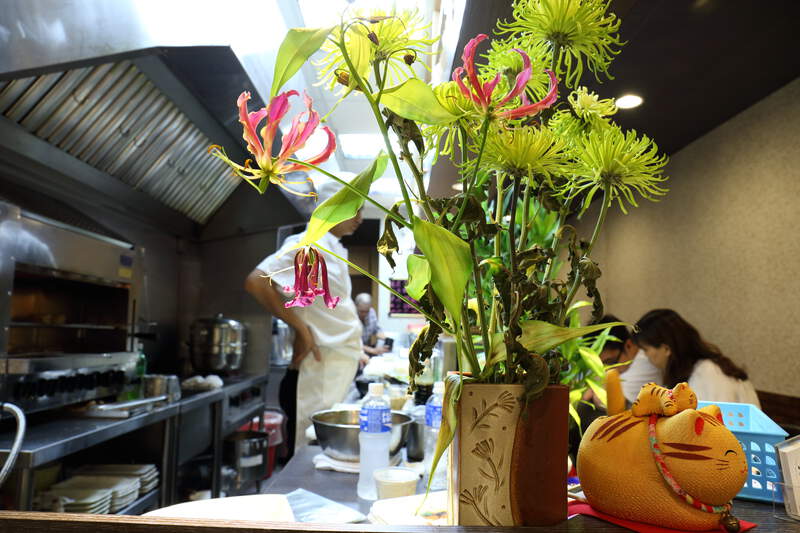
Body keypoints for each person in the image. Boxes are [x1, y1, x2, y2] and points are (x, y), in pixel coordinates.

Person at [245, 180, 364, 457]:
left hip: (333, 368)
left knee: (324, 450)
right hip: (315, 370)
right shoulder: (308, 243)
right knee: (311, 453)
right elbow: (257, 281)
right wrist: (301, 329)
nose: (360, 217)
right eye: (355, 209)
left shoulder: (333, 247)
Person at [632, 308, 760, 406]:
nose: (645, 356)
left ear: (666, 349)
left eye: (645, 349)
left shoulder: (710, 372)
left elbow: (717, 425)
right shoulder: (688, 372)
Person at [355, 293, 389, 357]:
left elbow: (376, 329)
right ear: (356, 306)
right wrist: (373, 350)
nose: (364, 314)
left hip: (366, 350)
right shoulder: (350, 317)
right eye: (361, 311)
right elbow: (352, 342)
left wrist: (385, 339)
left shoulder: (371, 312)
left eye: (366, 311)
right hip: (354, 352)